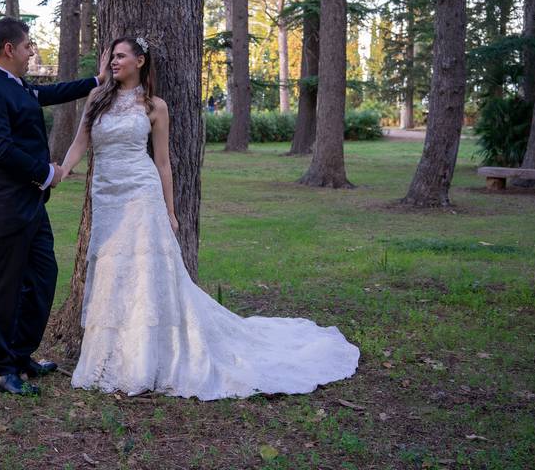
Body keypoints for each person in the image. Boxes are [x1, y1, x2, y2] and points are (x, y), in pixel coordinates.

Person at [59, 36, 359, 399]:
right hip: (106, 195)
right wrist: (61, 172)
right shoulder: (97, 99)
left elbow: (164, 163)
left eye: (121, 56)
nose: (114, 62)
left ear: (140, 61)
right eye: (112, 57)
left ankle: (142, 360)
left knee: (141, 272)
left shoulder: (154, 106)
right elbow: (80, 143)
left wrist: (170, 210)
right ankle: (109, 355)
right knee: (111, 270)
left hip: (141, 194)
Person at [0, 17, 109, 396]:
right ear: (9, 48)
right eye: (28, 45)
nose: (33, 52)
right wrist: (46, 172)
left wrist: (96, 82)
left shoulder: (16, 85)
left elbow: (52, 93)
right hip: (5, 206)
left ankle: (19, 354)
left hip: (31, 204)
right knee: (3, 290)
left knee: (43, 277)